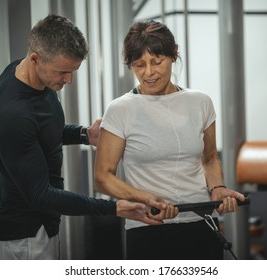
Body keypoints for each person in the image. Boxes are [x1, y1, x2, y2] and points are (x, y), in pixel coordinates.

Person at [0, 14, 166, 260]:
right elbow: (41, 195)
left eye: (73, 71)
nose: (68, 80)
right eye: (63, 72)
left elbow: (44, 131)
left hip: (43, 227)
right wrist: (113, 207)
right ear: (35, 58)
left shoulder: (29, 75)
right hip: (22, 238)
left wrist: (84, 135)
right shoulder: (12, 115)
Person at [94, 20, 246, 260]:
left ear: (174, 54)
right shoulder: (120, 109)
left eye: (157, 61)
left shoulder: (200, 102)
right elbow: (103, 176)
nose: (148, 72)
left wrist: (217, 188)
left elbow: (209, 157)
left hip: (201, 222)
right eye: (139, 64)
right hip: (148, 225)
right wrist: (145, 198)